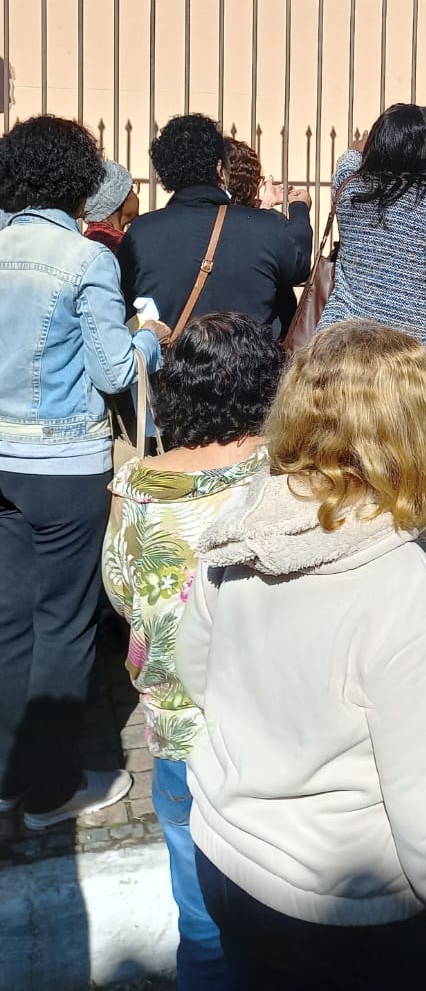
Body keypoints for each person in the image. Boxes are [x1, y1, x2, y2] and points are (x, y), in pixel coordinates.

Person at [177, 321, 426, 991]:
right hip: (341, 915)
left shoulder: (238, 530)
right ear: (412, 430)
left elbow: (198, 675)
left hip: (226, 859)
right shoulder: (411, 604)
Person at [103, 313, 284, 991]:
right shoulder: (283, 473)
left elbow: (122, 592)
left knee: (201, 911)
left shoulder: (136, 488)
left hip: (178, 729)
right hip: (273, 726)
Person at [0, 115, 166, 827]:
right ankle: (51, 788)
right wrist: (148, 338)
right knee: (64, 624)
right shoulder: (84, 258)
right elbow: (113, 371)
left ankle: (10, 774)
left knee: (9, 618)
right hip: (63, 463)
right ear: (80, 181)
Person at [318, 104, 426, 466]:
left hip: (349, 367)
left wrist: (360, 149)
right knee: (417, 490)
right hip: (414, 378)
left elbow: (347, 161)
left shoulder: (349, 190)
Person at [119, 114, 312, 338]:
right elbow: (299, 267)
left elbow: (124, 304)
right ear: (219, 167)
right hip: (250, 358)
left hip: (172, 358)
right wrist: (299, 209)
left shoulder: (142, 232)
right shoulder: (265, 226)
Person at [83, 159, 139, 254]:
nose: (136, 197)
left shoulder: (87, 242)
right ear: (120, 199)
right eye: (132, 190)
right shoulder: (125, 248)